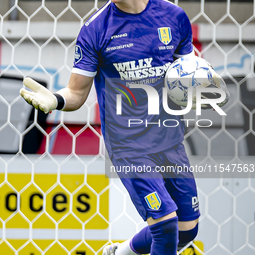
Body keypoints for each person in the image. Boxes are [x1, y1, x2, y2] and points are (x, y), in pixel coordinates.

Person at [20, 0, 228, 254]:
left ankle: (123, 252)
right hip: (128, 147)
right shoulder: (96, 29)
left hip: (170, 140)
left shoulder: (173, 16)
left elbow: (188, 72)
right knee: (165, 228)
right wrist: (57, 100)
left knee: (187, 230)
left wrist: (201, 86)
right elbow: (76, 92)